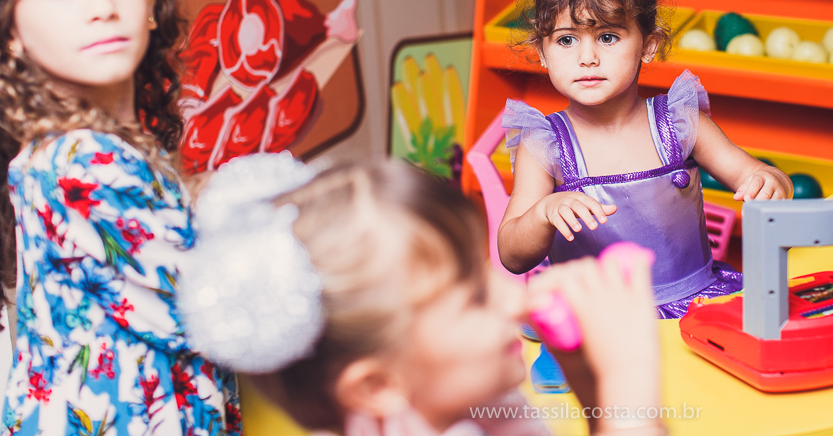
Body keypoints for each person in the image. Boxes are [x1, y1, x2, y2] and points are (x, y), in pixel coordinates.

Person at [0, 0, 238, 434]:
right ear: (11, 31)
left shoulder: (76, 148)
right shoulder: (80, 159)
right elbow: (217, 306)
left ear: (151, 0)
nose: (100, 6)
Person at [177, 155, 665, 436]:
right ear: (377, 386)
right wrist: (631, 380)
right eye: (476, 298)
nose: (517, 300)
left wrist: (589, 379)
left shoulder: (464, 402)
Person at [497, 0, 791, 318]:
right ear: (542, 52)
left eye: (607, 37)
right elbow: (512, 255)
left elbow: (759, 176)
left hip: (695, 306)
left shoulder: (679, 122)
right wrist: (543, 212)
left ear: (648, 46)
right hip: (596, 322)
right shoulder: (545, 144)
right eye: (567, 40)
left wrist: (771, 182)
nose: (587, 57)